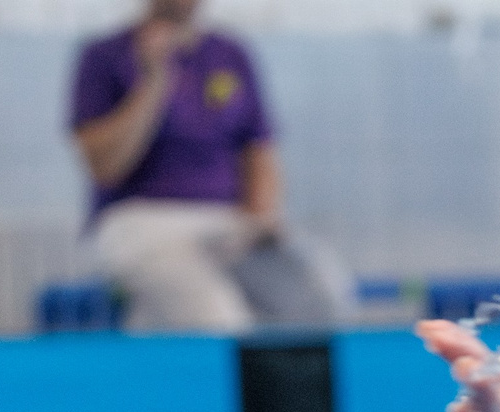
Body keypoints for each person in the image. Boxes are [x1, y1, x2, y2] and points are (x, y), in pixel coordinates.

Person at [69, 0, 344, 332]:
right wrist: (155, 82)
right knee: (217, 316)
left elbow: (259, 150)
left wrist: (261, 219)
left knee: (320, 291)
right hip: (141, 222)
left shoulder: (230, 55)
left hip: (226, 222)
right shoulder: (104, 56)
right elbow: (105, 166)